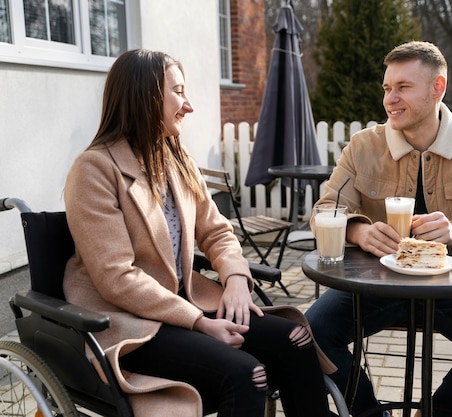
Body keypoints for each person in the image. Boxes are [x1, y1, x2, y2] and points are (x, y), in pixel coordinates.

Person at [63, 49, 335, 417]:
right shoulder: (94, 170)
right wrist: (200, 322)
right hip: (130, 323)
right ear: (145, 95)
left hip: (185, 303)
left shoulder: (174, 157)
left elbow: (217, 230)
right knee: (247, 374)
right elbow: (117, 277)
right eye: (178, 91)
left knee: (295, 338)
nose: (188, 105)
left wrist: (236, 278)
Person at [305, 41, 452, 417]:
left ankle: (436, 411)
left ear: (437, 88)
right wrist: (358, 231)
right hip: (374, 284)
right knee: (309, 334)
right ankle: (365, 411)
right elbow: (325, 210)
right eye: (387, 88)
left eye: (403, 87)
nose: (390, 99)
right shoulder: (363, 146)